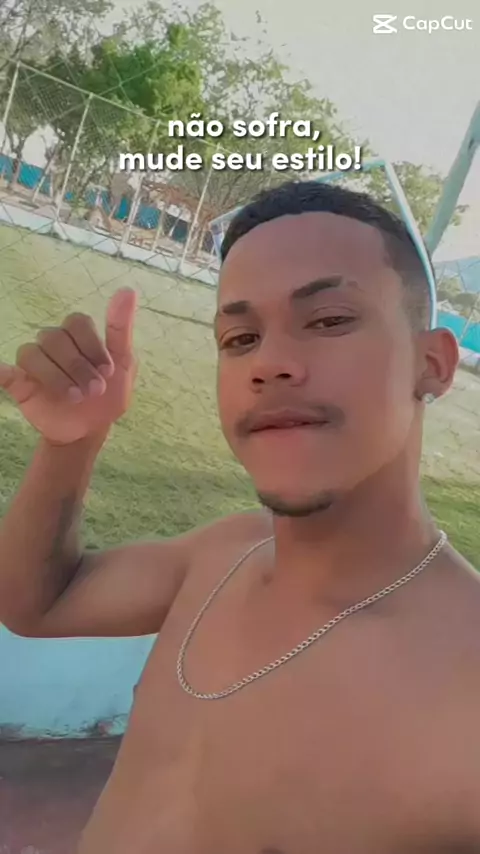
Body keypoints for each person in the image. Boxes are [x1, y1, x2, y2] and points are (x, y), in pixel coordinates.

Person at [0, 180, 479, 854]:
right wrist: (71, 445)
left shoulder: (464, 686)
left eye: (328, 320)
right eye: (240, 337)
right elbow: (37, 603)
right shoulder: (220, 556)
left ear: (432, 364)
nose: (269, 363)